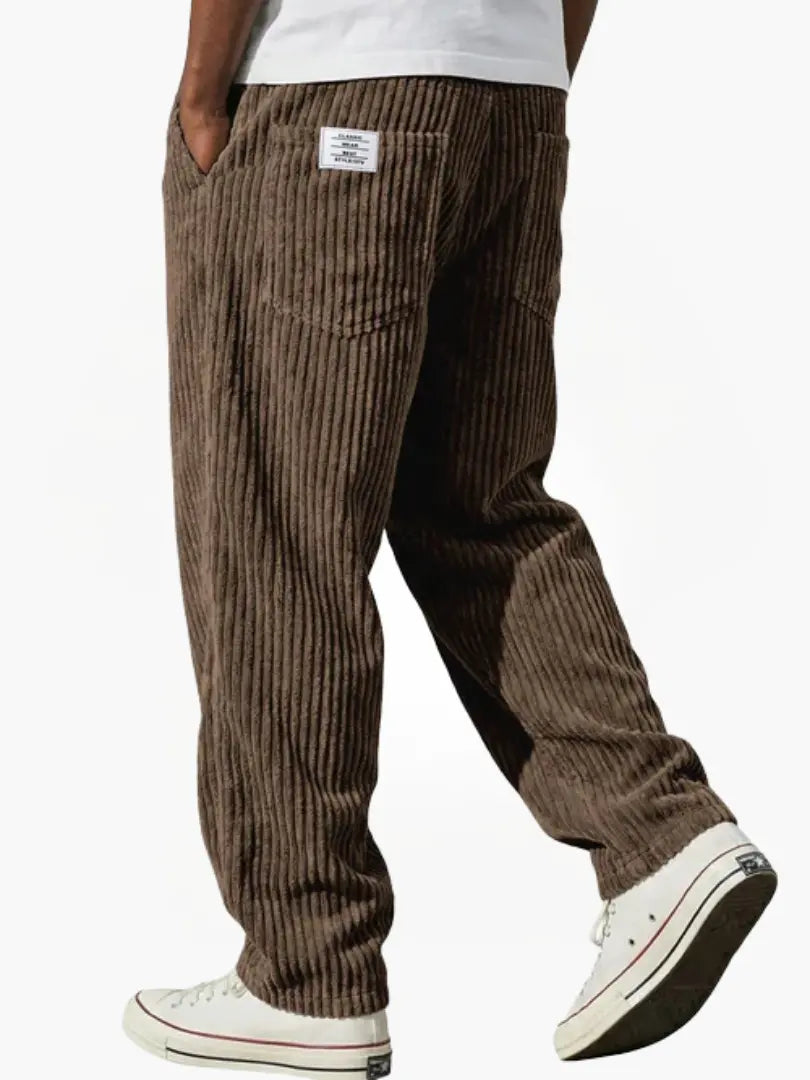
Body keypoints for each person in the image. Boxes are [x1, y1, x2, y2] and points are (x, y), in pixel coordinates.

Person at [122, 0, 776, 1071]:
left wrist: (202, 93)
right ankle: (664, 839)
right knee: (480, 501)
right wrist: (527, 73)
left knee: (276, 528)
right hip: (514, 99)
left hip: (324, 84)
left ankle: (307, 971)